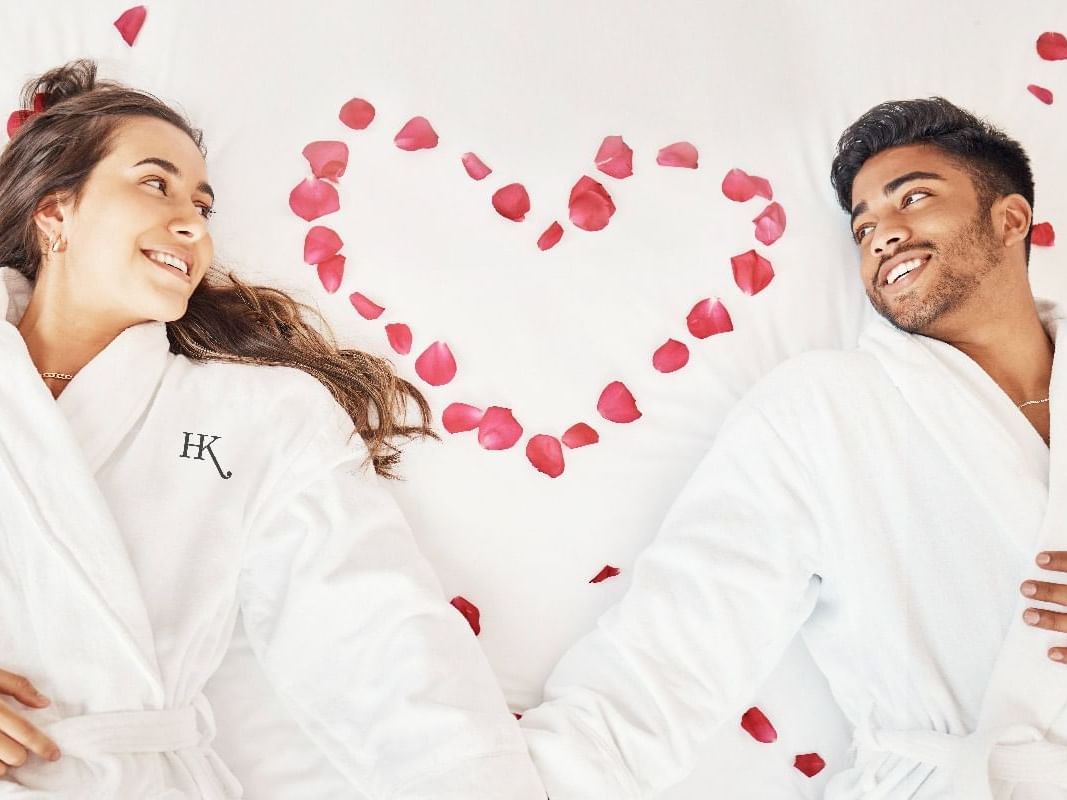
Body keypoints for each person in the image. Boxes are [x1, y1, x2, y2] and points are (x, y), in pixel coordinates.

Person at [0, 60, 545, 798]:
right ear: (55, 212)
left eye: (202, 204)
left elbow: (376, 639)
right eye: (154, 184)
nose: (191, 222)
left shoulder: (260, 415)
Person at [518, 97, 1067, 799]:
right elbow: (674, 650)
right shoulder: (822, 408)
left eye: (914, 198)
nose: (881, 235)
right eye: (862, 225)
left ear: (1010, 218)